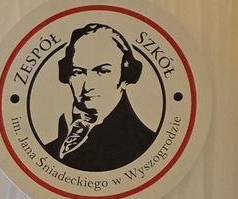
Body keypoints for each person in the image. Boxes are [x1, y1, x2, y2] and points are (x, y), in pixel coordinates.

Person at [41, 23, 156, 171]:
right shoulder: (50, 148)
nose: (88, 85)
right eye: (78, 72)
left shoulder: (144, 146)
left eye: (102, 71)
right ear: (67, 76)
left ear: (125, 77)